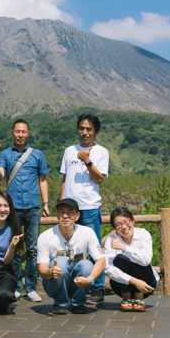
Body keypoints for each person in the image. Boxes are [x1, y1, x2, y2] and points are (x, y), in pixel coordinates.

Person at [0, 118, 49, 302]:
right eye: (17, 131)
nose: (20, 135)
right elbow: (0, 177)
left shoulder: (37, 154)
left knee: (32, 249)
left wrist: (46, 203)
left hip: (33, 207)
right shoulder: (6, 154)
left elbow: (43, 180)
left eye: (24, 132)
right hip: (12, 209)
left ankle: (31, 288)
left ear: (28, 134)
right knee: (14, 247)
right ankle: (16, 286)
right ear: (12, 133)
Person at [59, 113, 109, 303]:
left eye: (89, 129)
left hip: (89, 207)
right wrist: (62, 203)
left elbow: (99, 179)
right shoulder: (69, 151)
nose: (84, 132)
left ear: (96, 131)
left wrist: (88, 161)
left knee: (94, 248)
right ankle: (76, 286)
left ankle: (97, 288)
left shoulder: (101, 152)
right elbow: (65, 179)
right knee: (71, 248)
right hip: (70, 209)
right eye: (82, 128)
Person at [38, 198, 106, 315]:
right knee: (60, 262)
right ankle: (60, 303)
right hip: (54, 283)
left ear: (77, 216)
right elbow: (42, 269)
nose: (65, 216)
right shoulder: (45, 236)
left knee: (86, 265)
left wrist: (89, 280)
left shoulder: (87, 232)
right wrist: (51, 272)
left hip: (79, 282)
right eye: (61, 211)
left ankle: (78, 303)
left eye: (70, 212)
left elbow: (101, 260)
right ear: (57, 214)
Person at [103, 207, 159, 312]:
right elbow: (107, 268)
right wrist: (134, 281)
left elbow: (146, 260)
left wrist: (124, 248)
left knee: (138, 259)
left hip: (146, 286)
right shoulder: (111, 239)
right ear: (115, 228)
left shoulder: (143, 234)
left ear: (132, 221)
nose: (124, 227)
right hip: (121, 287)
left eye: (126, 221)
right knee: (120, 259)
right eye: (118, 224)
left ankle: (139, 298)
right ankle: (126, 298)